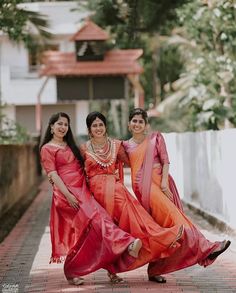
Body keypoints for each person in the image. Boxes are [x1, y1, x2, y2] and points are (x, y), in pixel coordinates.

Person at [123, 107, 231, 278]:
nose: (137, 124)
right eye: (134, 121)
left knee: (165, 226)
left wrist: (165, 183)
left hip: (162, 184)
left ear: (146, 125)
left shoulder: (155, 138)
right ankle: (207, 247)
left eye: (140, 121)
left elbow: (165, 161)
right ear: (129, 124)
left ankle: (156, 270)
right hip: (144, 190)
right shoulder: (125, 146)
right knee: (173, 220)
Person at [40, 112, 143, 286]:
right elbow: (53, 175)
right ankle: (128, 243)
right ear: (51, 127)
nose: (62, 127)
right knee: (98, 221)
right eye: (59, 124)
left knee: (91, 232)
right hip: (68, 194)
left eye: (66, 124)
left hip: (82, 191)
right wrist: (68, 195)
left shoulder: (71, 146)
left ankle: (74, 270)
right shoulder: (47, 148)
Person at [81, 111, 184, 283]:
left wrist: (156, 170)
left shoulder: (116, 146)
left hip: (116, 193)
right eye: (94, 125)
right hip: (95, 197)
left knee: (135, 221)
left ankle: (163, 237)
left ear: (105, 127)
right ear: (89, 129)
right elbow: (78, 172)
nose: (98, 128)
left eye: (101, 124)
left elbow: (135, 159)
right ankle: (107, 270)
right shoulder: (84, 149)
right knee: (104, 233)